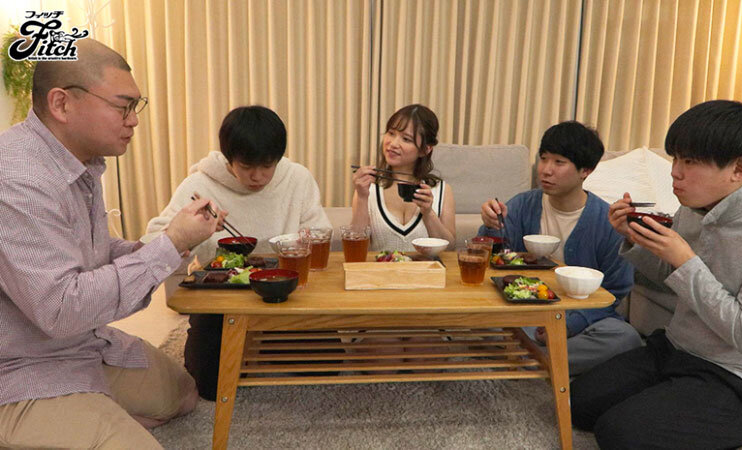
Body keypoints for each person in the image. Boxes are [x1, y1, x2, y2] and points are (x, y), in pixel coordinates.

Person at [0, 39, 220, 449]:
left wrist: (167, 246)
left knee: (184, 394)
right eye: (123, 106)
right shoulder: (17, 180)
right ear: (62, 103)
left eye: (136, 106)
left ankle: (86, 414)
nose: (133, 120)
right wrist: (168, 244)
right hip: (20, 367)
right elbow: (62, 309)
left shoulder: (80, 163)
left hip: (81, 345)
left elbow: (89, 252)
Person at [570, 100, 742, 449]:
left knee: (619, 433)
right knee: (577, 402)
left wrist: (687, 262)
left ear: (739, 168)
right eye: (676, 158)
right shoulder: (693, 208)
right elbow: (671, 278)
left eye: (690, 162)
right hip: (679, 350)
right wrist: (634, 238)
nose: (675, 172)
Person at [143, 105, 331, 401]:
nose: (258, 176)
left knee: (327, 369)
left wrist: (295, 245)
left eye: (267, 166)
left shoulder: (297, 178)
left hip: (285, 295)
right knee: (209, 384)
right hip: (221, 299)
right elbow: (153, 241)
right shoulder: (200, 184)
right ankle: (256, 344)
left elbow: (319, 232)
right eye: (246, 167)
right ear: (229, 159)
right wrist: (191, 232)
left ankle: (262, 342)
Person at [479, 121, 640, 375]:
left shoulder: (607, 221)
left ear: (585, 170)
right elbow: (491, 261)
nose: (546, 170)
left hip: (579, 319)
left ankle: (527, 359)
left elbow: (615, 290)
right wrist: (491, 226)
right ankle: (544, 360)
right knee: (481, 321)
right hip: (523, 312)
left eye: (559, 162)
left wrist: (569, 324)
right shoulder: (522, 205)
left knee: (624, 337)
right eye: (543, 159)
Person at [351, 104, 455, 250]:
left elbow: (450, 249)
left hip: (427, 266)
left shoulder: (442, 190)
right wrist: (362, 198)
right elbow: (356, 249)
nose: (393, 144)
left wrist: (428, 213)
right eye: (391, 133)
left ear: (425, 149)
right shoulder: (368, 188)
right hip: (381, 265)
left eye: (406, 139)